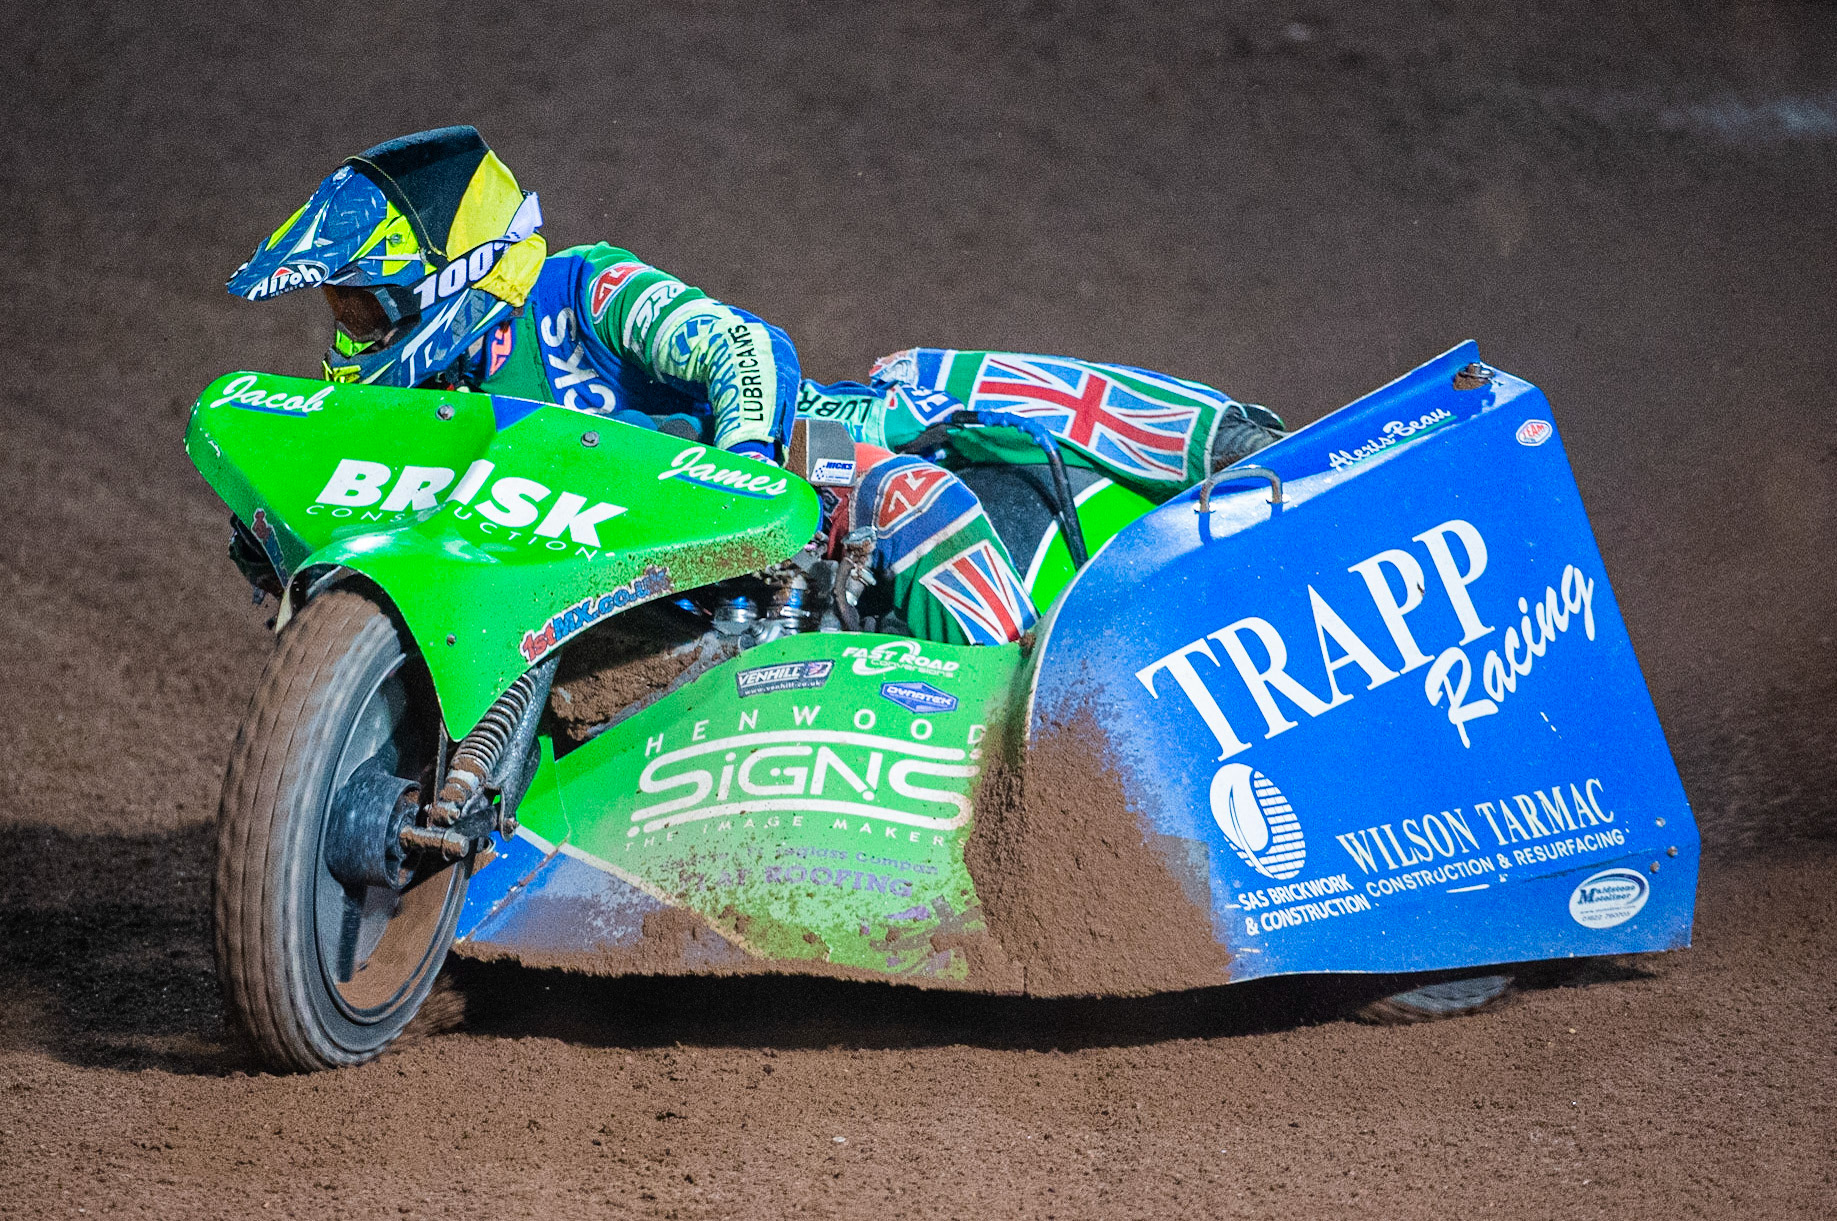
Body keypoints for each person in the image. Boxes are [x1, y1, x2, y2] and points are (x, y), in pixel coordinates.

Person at [228, 125, 1284, 644]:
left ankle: (1233, 455)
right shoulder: (409, 417)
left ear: (458, 277)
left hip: (784, 467)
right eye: (343, 311)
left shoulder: (580, 292)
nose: (350, 333)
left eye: (364, 306)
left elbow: (742, 348)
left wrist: (737, 480)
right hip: (619, 609)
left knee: (907, 425)